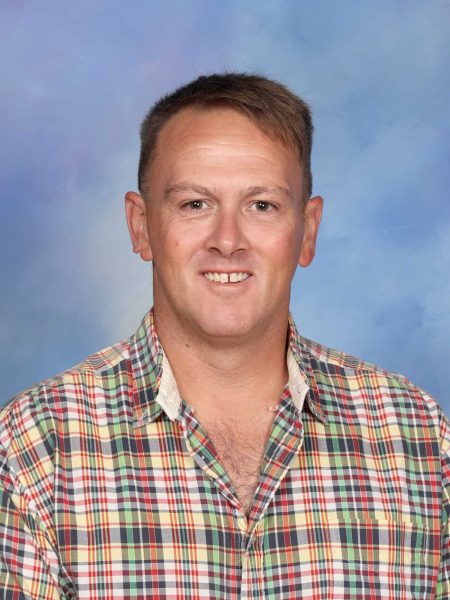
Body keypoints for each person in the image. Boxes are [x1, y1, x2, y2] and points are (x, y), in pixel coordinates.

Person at [0, 73, 448, 599]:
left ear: (307, 231)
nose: (228, 241)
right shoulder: (35, 447)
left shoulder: (416, 436)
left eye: (262, 205)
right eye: (195, 204)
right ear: (140, 226)